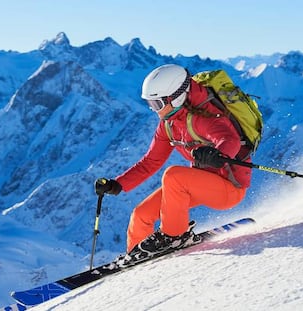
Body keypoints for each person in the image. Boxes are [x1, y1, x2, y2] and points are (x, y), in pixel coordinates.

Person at [95, 64, 251, 263]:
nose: (154, 110)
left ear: (176, 97)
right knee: (141, 215)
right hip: (198, 184)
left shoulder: (206, 117)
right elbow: (151, 161)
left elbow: (231, 141)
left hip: (229, 188)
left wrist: (217, 153)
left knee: (173, 175)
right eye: (150, 104)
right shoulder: (169, 124)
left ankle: (173, 236)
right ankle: (135, 258)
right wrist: (118, 184)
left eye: (157, 104)